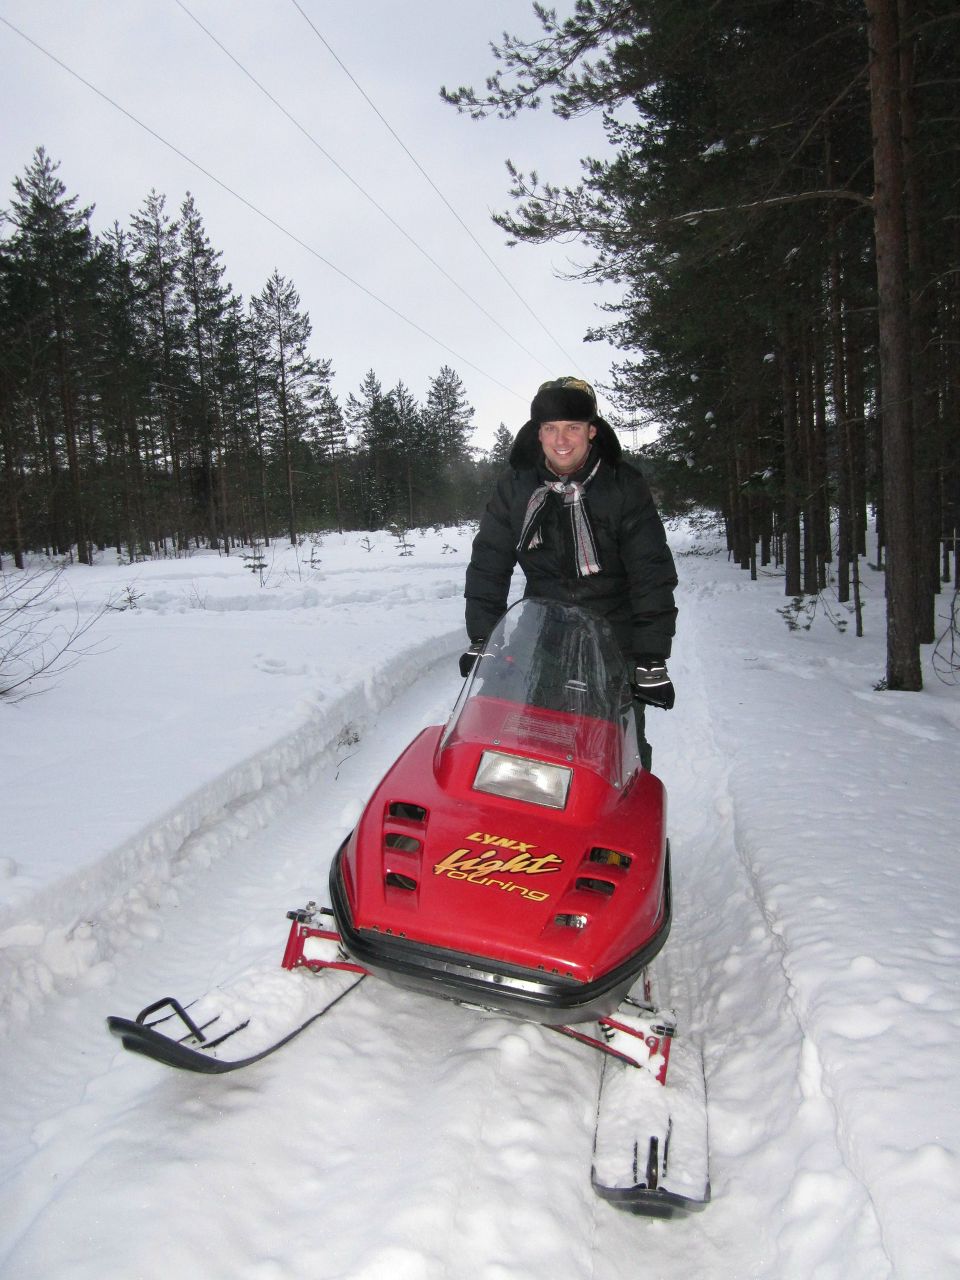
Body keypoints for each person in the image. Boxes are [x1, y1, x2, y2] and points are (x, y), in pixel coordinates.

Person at [461, 376, 677, 770]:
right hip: (543, 636)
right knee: (532, 744)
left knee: (618, 749)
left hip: (615, 638)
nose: (562, 439)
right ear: (538, 433)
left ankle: (628, 821)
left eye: (573, 427)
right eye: (551, 428)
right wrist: (483, 637)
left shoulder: (623, 485)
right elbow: (489, 563)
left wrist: (650, 658)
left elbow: (651, 571)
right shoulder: (516, 487)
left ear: (591, 431)